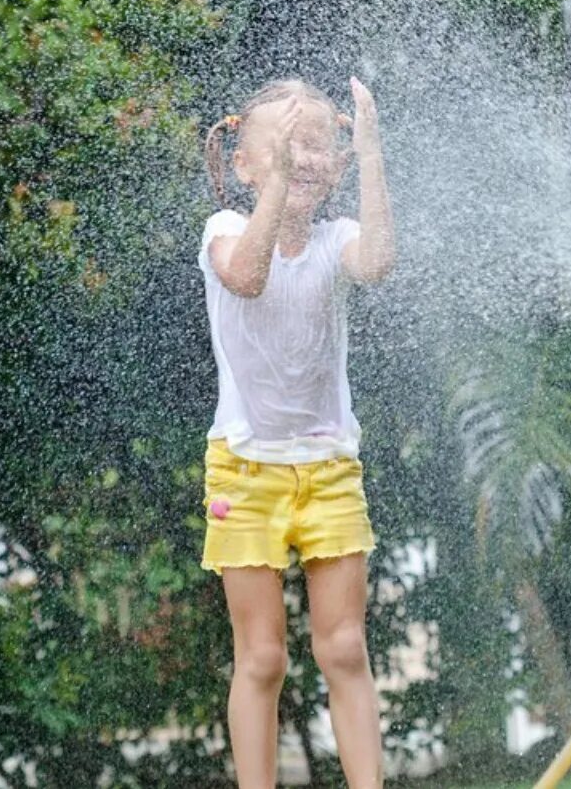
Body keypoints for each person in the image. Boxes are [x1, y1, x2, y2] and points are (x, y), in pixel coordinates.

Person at [199, 77, 395, 787]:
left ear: (336, 164)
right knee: (262, 658)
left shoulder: (338, 240)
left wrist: (370, 154)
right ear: (245, 166)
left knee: (343, 648)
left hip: (329, 467)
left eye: (316, 144)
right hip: (244, 472)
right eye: (283, 147)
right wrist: (278, 186)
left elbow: (375, 263)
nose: (302, 157)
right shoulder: (223, 231)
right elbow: (246, 279)